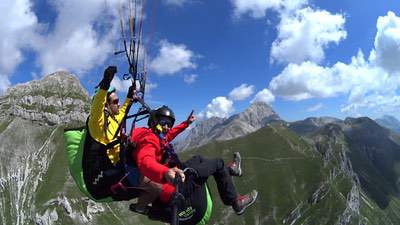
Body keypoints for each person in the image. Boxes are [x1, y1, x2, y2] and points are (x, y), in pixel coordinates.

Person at [129, 105, 258, 219]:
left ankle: (230, 170)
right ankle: (236, 202)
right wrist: (165, 172)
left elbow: (170, 135)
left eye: (169, 124)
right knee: (218, 163)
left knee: (199, 158)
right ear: (154, 122)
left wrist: (186, 123)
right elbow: (145, 161)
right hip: (175, 186)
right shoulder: (149, 139)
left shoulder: (156, 135)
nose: (167, 127)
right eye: (164, 123)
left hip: (175, 172)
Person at [82, 66, 138, 200]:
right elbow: (97, 105)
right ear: (106, 105)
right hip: (100, 180)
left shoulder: (114, 118)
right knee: (143, 183)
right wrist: (105, 83)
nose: (118, 104)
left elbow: (124, 110)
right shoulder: (97, 123)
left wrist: (130, 95)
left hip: (116, 166)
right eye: (115, 102)